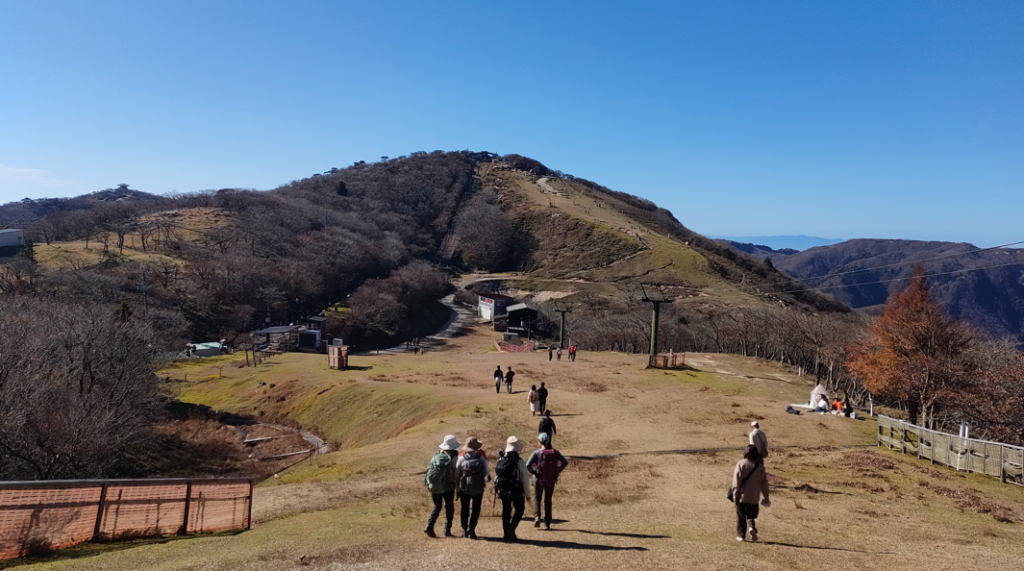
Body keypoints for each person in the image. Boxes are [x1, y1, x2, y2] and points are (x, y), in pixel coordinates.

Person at [526, 432, 569, 530]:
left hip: (538, 479)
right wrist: (556, 471)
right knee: (548, 500)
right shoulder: (555, 452)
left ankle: (537, 517)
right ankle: (548, 522)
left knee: (537, 498)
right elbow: (565, 462)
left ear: (539, 442)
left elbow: (527, 465)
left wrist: (535, 472)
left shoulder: (537, 452)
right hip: (551, 479)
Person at [494, 436, 531, 541]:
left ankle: (506, 534)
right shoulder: (520, 462)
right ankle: (512, 527)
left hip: (503, 490)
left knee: (506, 510)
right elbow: (525, 480)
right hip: (517, 491)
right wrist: (528, 495)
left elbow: (497, 476)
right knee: (520, 509)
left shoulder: (501, 459)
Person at [424, 434, 460, 538]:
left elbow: (429, 471)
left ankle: (429, 526)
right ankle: (447, 530)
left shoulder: (436, 455)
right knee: (449, 508)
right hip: (449, 486)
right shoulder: (454, 458)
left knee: (437, 506)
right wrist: (458, 490)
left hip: (436, 486)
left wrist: (430, 487)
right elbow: (456, 475)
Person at [732, 445, 770, 542]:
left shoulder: (740, 464)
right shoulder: (760, 467)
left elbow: (736, 482)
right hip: (754, 497)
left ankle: (741, 535)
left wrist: (735, 495)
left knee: (740, 515)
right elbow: (764, 484)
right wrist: (766, 497)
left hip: (741, 496)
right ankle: (751, 527)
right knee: (751, 514)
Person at [455, 437, 489, 539]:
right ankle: (472, 528)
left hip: (464, 487)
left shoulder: (461, 458)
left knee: (464, 508)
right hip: (478, 487)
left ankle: (464, 529)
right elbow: (486, 472)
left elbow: (457, 474)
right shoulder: (481, 458)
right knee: (476, 508)